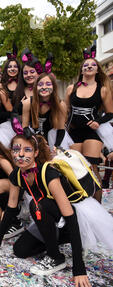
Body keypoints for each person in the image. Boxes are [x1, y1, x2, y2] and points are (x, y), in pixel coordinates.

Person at [0, 130, 113, 287]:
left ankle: (56, 257)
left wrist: (79, 268)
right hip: (52, 219)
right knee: (20, 249)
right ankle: (60, 240)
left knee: (37, 205)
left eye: (26, 150)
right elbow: (11, 208)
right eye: (16, 149)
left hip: (72, 217)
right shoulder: (17, 175)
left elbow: (70, 216)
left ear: (35, 153)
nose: (20, 154)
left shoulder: (48, 173)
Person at [65, 45, 113, 203]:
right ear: (82, 70)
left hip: (92, 134)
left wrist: (98, 122)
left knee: (92, 169)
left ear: (97, 70)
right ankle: (83, 207)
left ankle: (98, 207)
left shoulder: (103, 90)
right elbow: (65, 112)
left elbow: (111, 113)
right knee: (76, 172)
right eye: (86, 65)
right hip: (73, 133)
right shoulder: (71, 88)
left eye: (92, 64)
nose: (89, 67)